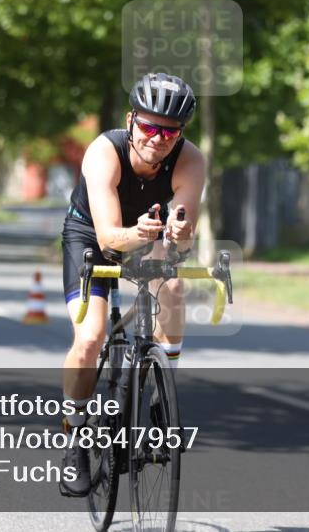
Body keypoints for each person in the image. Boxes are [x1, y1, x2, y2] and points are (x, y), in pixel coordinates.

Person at [59, 72, 205, 496]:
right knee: (91, 337)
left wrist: (181, 235)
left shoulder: (190, 160)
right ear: (130, 119)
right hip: (92, 236)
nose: (158, 138)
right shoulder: (104, 152)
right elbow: (108, 238)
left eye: (170, 130)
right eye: (149, 126)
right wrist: (140, 233)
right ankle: (75, 435)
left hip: (150, 235)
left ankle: (161, 400)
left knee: (173, 289)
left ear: (181, 133)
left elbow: (184, 232)